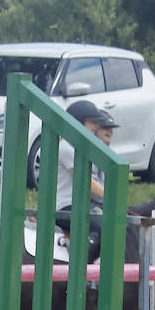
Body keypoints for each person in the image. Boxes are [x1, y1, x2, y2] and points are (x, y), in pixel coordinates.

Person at [55, 99, 119, 233]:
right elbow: (87, 183)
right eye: (93, 123)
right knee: (100, 231)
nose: (97, 127)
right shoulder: (66, 148)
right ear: (78, 123)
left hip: (81, 206)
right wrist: (113, 197)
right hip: (65, 208)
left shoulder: (81, 148)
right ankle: (66, 244)